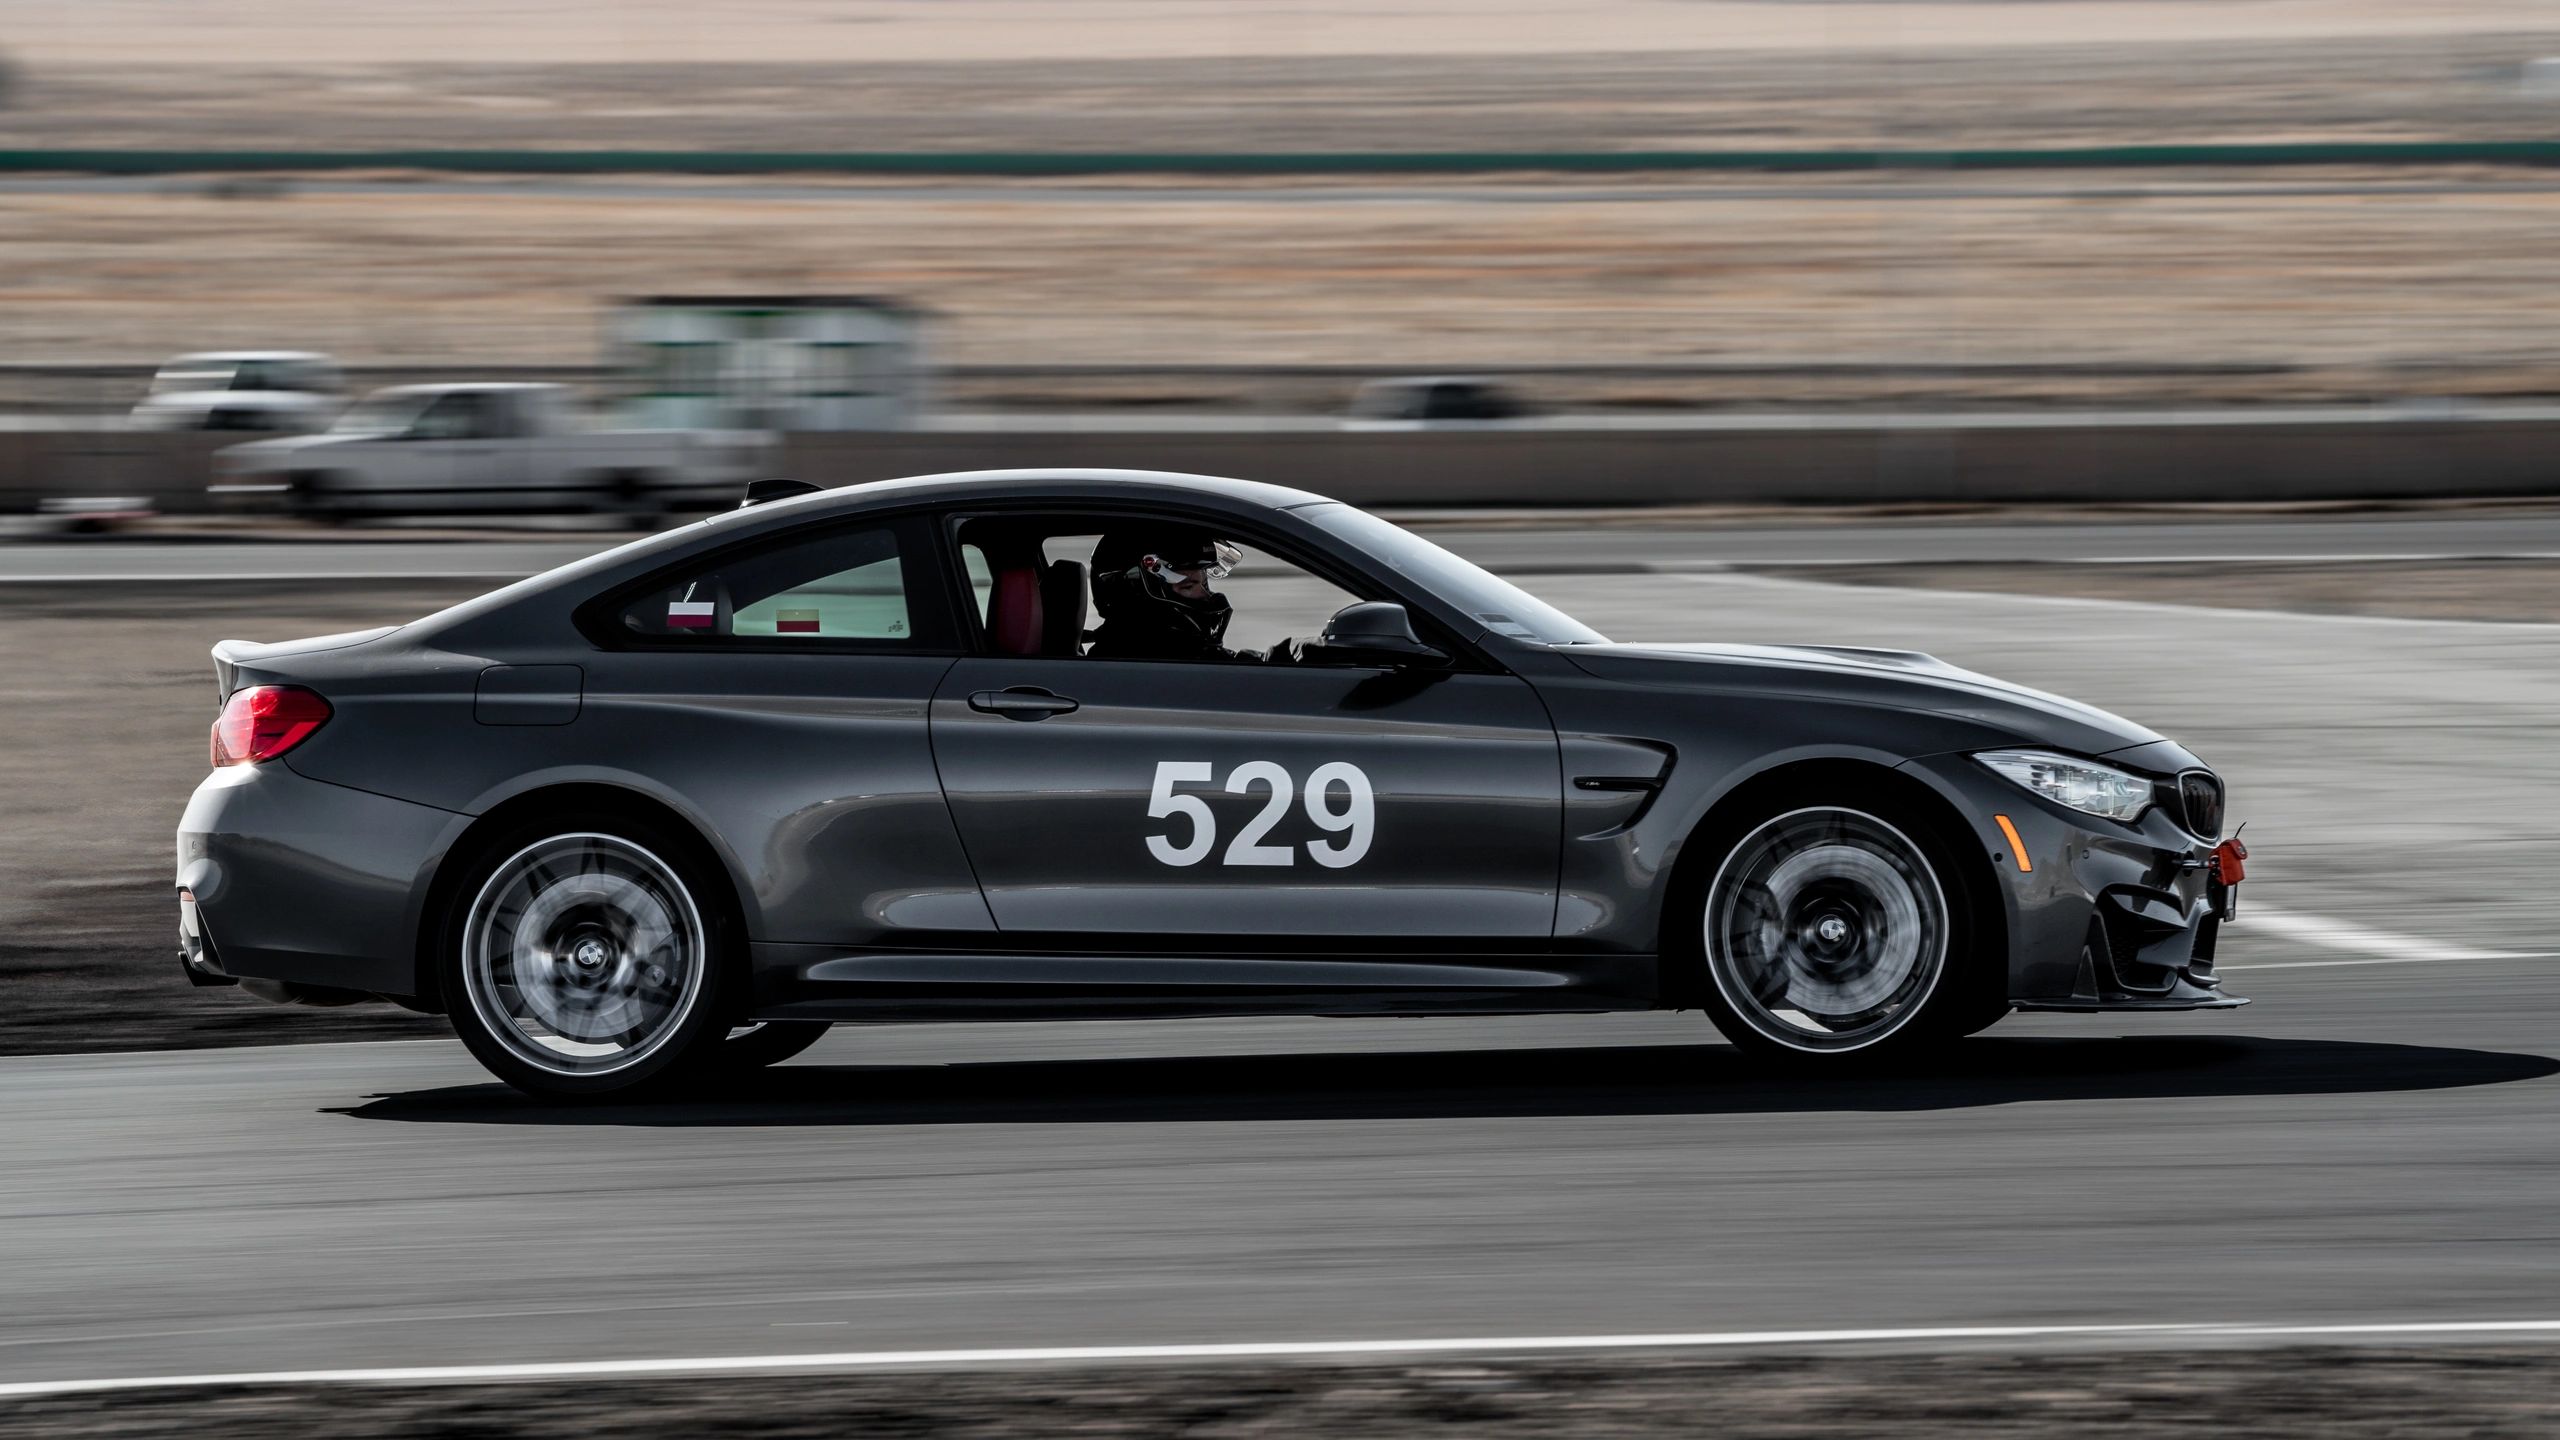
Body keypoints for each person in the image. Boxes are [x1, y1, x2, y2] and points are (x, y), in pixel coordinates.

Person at [1086, 528, 1303, 662]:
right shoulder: (1138, 667)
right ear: (1136, 595)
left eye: (1204, 583)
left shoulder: (1174, 657)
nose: (1205, 596)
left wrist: (1297, 652)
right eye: (1188, 586)